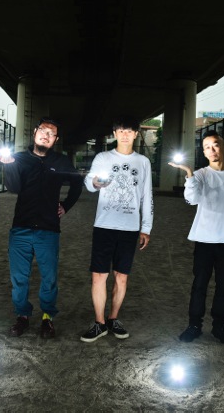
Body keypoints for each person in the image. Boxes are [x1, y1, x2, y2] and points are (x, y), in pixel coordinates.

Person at [0, 118, 83, 338]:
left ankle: (47, 317)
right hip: (21, 227)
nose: (46, 135)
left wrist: (66, 206)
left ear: (55, 139)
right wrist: (8, 165)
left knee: (49, 277)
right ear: (35, 132)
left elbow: (77, 184)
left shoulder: (61, 161)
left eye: (51, 133)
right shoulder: (19, 158)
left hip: (48, 228)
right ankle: (22, 316)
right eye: (43, 130)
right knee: (19, 277)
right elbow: (13, 187)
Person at [168, 130, 224, 344]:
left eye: (215, 145)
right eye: (206, 147)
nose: (212, 150)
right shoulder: (201, 174)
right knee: (199, 285)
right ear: (203, 153)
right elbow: (192, 199)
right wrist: (189, 173)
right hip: (204, 240)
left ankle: (219, 327)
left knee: (223, 286)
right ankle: (194, 326)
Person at [79, 118, 153, 343]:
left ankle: (113, 319)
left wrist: (146, 227)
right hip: (104, 225)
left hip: (130, 227)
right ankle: (99, 323)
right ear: (114, 134)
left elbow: (147, 195)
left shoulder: (143, 162)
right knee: (98, 275)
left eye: (129, 131)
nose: (125, 135)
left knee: (121, 277)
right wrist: (95, 183)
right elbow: (89, 183)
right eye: (120, 131)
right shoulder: (103, 158)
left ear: (136, 134)